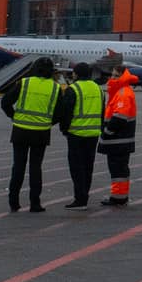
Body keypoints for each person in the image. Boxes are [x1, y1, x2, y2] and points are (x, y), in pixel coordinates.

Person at [1, 56, 59, 213]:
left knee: (18, 166)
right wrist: (49, 122)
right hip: (41, 132)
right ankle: (35, 203)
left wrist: (13, 116)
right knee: (35, 167)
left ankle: (14, 202)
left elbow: (5, 102)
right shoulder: (56, 87)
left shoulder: (24, 83)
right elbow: (60, 112)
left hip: (20, 130)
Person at [59, 61, 104, 210]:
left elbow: (66, 112)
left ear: (75, 74)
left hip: (76, 133)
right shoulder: (99, 89)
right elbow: (103, 112)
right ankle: (85, 195)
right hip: (93, 134)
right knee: (88, 167)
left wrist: (64, 130)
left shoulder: (74, 89)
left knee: (76, 168)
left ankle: (80, 199)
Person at [100, 68, 139, 206]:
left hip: (118, 140)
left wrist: (107, 132)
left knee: (118, 170)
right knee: (120, 169)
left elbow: (119, 118)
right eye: (112, 75)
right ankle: (120, 196)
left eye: (116, 75)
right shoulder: (120, 91)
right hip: (121, 139)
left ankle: (118, 197)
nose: (113, 78)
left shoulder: (123, 93)